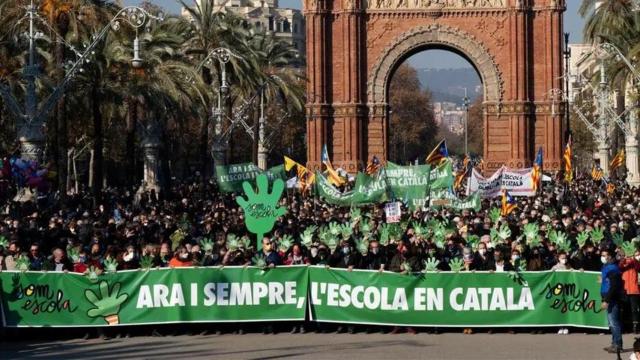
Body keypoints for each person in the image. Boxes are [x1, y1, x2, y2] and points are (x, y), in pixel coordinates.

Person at [601, 248, 624, 354]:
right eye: (602, 255)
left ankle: (618, 345)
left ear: (610, 256)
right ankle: (614, 343)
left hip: (612, 298)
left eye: (605, 255)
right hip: (609, 297)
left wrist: (606, 300)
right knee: (611, 322)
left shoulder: (613, 268)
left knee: (614, 323)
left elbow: (614, 286)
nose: (603, 257)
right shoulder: (607, 266)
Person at [620, 249, 640, 334]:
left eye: (637, 254)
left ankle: (635, 327)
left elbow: (637, 266)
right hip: (625, 289)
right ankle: (625, 327)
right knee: (625, 309)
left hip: (634, 289)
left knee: (634, 310)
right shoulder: (624, 261)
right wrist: (624, 258)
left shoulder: (635, 263)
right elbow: (620, 266)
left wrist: (633, 259)